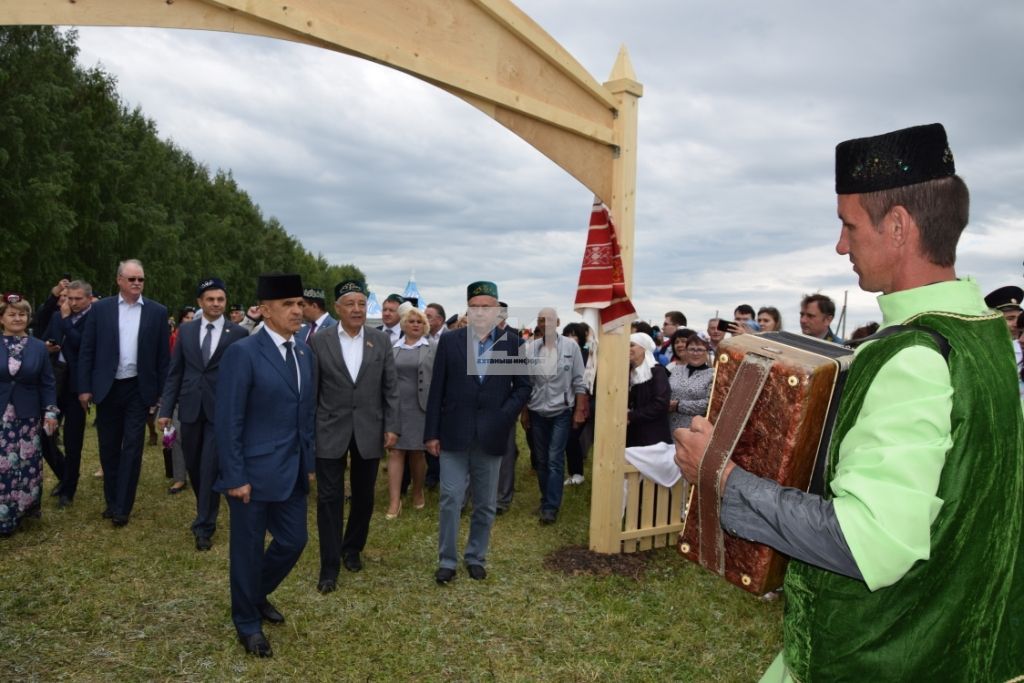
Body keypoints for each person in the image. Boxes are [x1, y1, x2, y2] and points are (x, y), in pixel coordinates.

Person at [675, 123, 1023, 680]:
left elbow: (871, 543)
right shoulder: (984, 337)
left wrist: (721, 475)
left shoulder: (913, 354)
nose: (841, 245)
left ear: (899, 227)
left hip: (886, 655)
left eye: (848, 224)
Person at [214, 273, 316, 658]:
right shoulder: (243, 352)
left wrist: (307, 461)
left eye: (300, 303)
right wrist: (235, 475)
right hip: (251, 475)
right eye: (288, 304)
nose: (297, 310)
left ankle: (253, 594)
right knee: (247, 548)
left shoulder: (305, 352)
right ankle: (247, 621)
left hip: (290, 471)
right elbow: (228, 420)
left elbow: (305, 412)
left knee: (294, 541)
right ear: (266, 310)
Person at [425, 281, 530, 584]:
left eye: (488, 306)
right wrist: (431, 433)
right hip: (453, 434)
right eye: (477, 306)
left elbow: (523, 387)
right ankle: (447, 559)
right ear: (468, 309)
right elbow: (437, 391)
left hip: (492, 435)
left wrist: (503, 416)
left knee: (485, 503)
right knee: (450, 497)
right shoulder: (451, 341)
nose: (482, 311)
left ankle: (476, 556)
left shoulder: (511, 343)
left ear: (497, 310)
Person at [309, 279, 398, 594]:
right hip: (329, 429)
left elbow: (390, 387)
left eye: (362, 303)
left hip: (369, 429)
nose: (357, 309)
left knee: (364, 496)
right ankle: (329, 564)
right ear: (337, 308)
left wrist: (391, 425)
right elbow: (312, 391)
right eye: (350, 304)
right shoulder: (319, 342)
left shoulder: (380, 341)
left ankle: (352, 549)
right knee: (329, 498)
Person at [77, 259, 170, 527]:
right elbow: (87, 350)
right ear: (119, 280)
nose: (137, 283)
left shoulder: (157, 312)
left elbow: (163, 358)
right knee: (108, 447)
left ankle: (122, 507)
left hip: (138, 389)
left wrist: (162, 393)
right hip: (107, 387)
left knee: (132, 447)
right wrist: (84, 388)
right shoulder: (101, 309)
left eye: (140, 279)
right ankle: (112, 500)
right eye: (132, 279)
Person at [158, 278, 246, 550]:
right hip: (190, 408)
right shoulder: (186, 332)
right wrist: (165, 410)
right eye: (211, 299)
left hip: (221, 411)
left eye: (221, 299)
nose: (216, 304)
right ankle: (205, 506)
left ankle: (204, 525)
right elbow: (175, 372)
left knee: (209, 466)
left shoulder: (238, 334)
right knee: (195, 466)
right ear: (200, 302)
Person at [521, 308, 587, 524]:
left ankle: (551, 507)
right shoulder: (529, 349)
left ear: (557, 322)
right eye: (541, 319)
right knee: (540, 459)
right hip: (537, 410)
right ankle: (545, 499)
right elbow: (525, 384)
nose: (545, 323)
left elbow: (579, 380)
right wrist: (525, 413)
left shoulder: (571, 347)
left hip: (562, 410)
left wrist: (579, 410)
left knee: (554, 458)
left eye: (549, 319)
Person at [0, 294, 58, 537]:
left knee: (26, 463)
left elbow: (47, 383)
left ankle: (24, 508)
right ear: (2, 318)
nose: (17, 318)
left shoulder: (38, 347)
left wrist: (51, 412)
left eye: (22, 314)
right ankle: (4, 515)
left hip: (28, 416)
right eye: (12, 314)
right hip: (2, 415)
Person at [42, 280, 92, 508]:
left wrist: (65, 322)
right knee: (45, 435)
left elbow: (82, 345)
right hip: (55, 381)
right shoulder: (57, 316)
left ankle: (69, 489)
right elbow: (48, 335)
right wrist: (49, 346)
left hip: (77, 387)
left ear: (88, 299)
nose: (72, 303)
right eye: (69, 298)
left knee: (73, 440)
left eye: (77, 299)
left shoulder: (94, 319)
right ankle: (64, 474)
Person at [387, 307, 434, 517]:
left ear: (425, 326)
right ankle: (394, 502)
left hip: (420, 407)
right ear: (404, 324)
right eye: (411, 321)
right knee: (396, 451)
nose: (416, 324)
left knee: (416, 452)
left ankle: (417, 491)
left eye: (420, 322)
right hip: (396, 407)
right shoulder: (392, 348)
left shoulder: (433, 347)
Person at [626, 333, 671, 447]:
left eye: (631, 345)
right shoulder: (626, 372)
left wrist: (631, 416)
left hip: (652, 435)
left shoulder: (657, 372)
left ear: (644, 348)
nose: (627, 349)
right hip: (630, 433)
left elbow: (660, 404)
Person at [667, 331, 713, 431]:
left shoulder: (713, 375)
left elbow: (709, 404)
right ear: (686, 351)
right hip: (669, 428)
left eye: (700, 350)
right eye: (691, 349)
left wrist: (678, 405)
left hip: (694, 431)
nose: (695, 353)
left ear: (707, 352)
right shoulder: (675, 370)